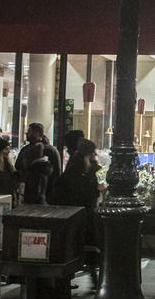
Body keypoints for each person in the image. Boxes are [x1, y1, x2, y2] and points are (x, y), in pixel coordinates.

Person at [51, 138, 106, 288]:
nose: (96, 155)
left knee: (84, 244)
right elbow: (80, 191)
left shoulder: (80, 165)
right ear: (89, 153)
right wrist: (97, 189)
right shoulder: (78, 167)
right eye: (94, 152)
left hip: (81, 212)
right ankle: (91, 277)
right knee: (85, 243)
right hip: (79, 213)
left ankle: (92, 277)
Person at [15, 123, 61, 204]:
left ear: (37, 133)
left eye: (29, 131)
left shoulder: (30, 150)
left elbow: (18, 167)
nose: (27, 134)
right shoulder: (52, 150)